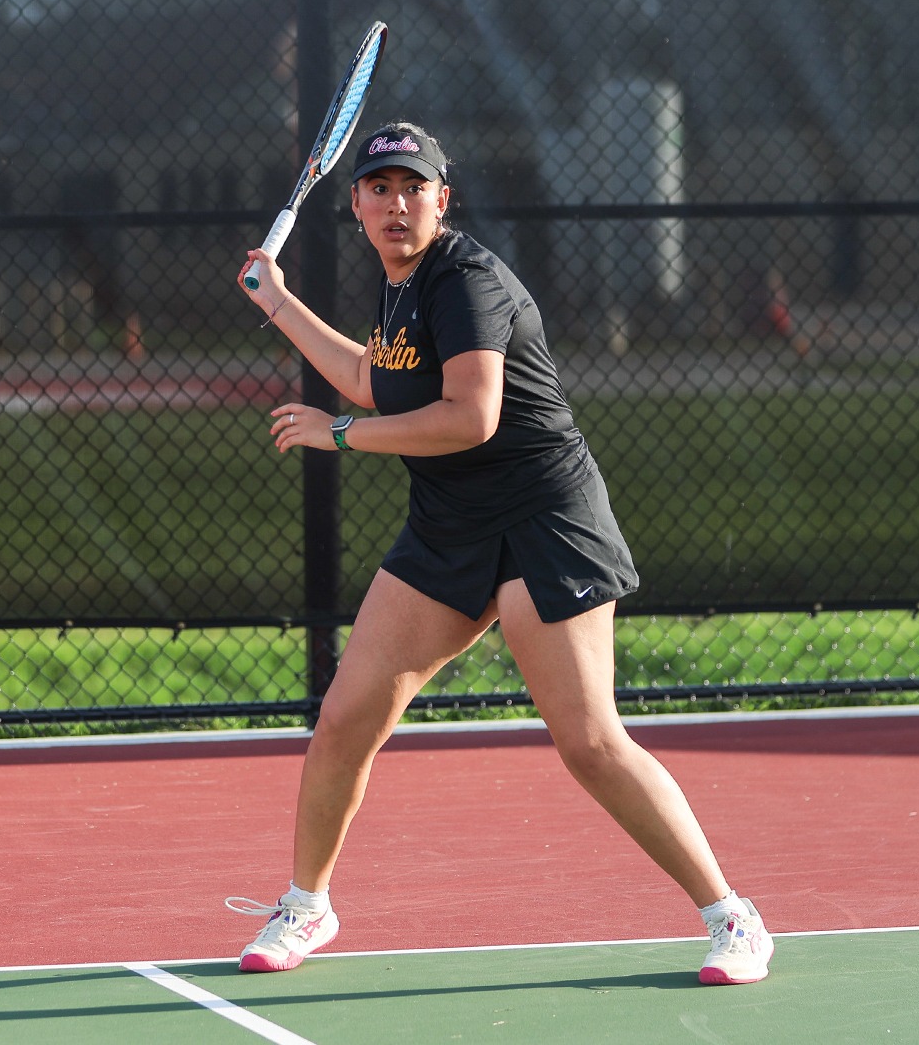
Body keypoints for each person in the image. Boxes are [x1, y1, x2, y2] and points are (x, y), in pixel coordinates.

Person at [227, 122, 772, 986]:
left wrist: (341, 435)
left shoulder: (468, 281)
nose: (397, 204)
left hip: (544, 518)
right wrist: (280, 305)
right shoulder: (398, 288)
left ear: (443, 200)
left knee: (589, 742)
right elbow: (374, 379)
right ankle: (307, 904)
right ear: (356, 204)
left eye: (414, 188)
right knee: (345, 719)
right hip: (449, 525)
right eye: (379, 189)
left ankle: (731, 916)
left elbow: (470, 417)